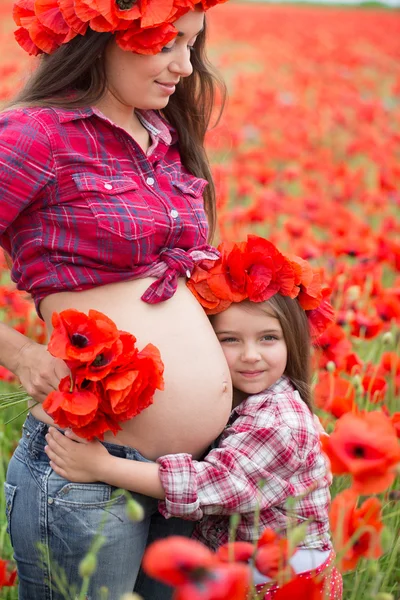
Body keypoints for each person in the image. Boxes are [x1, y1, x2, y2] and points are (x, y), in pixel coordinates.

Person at [1, 0, 234, 598]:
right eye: (167, 44)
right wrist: (22, 354)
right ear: (102, 38)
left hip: (186, 478)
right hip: (87, 467)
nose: (185, 65)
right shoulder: (35, 134)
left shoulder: (161, 136)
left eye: (192, 45)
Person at [44, 236, 343, 599]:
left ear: (292, 341)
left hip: (282, 583)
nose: (251, 355)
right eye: (229, 340)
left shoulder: (279, 421)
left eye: (268, 338)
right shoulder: (250, 399)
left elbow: (212, 485)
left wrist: (103, 468)